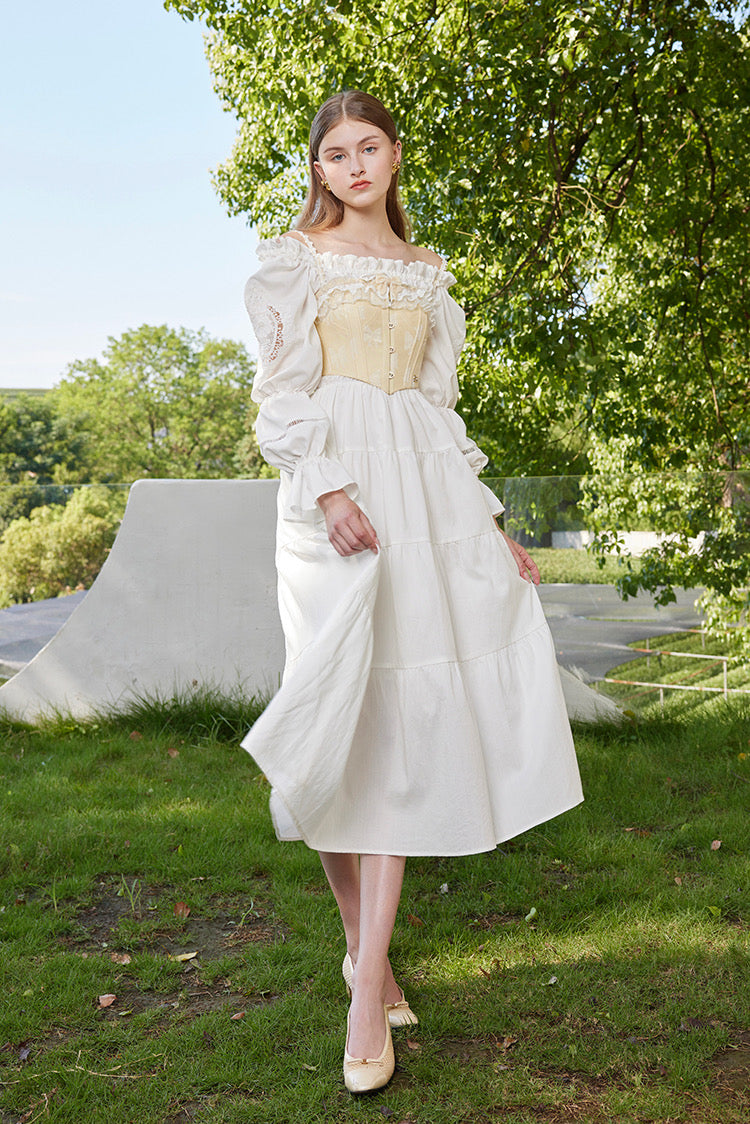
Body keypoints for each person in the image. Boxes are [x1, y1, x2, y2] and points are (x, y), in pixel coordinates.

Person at [241, 91, 583, 1093]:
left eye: (369, 147)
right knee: (334, 716)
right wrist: (329, 487)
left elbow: (438, 407)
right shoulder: (294, 259)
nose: (353, 166)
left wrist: (490, 523)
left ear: (395, 157)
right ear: (318, 169)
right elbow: (280, 392)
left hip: (425, 497)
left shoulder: (430, 272)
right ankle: (367, 952)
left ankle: (365, 990)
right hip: (332, 493)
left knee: (397, 720)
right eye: (334, 153)